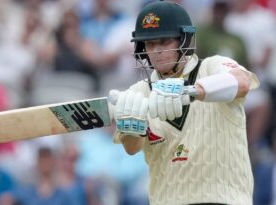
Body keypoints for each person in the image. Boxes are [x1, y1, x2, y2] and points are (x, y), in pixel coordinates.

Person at [111, 1, 259, 204]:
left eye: (164, 42)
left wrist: (189, 91)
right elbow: (132, 148)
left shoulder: (211, 66)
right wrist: (131, 127)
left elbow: (243, 82)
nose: (157, 51)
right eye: (150, 44)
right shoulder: (138, 93)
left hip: (224, 199)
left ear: (184, 40)